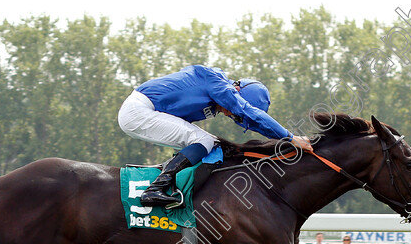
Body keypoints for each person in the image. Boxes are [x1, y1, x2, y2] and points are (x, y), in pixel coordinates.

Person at [118, 65, 313, 208]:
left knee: (213, 144)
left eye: (235, 116)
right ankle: (156, 189)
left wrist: (284, 140)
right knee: (205, 141)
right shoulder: (218, 83)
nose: (231, 115)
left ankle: (181, 189)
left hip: (143, 111)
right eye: (234, 111)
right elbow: (251, 113)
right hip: (139, 110)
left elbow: (254, 122)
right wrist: (291, 137)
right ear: (237, 92)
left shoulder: (219, 92)